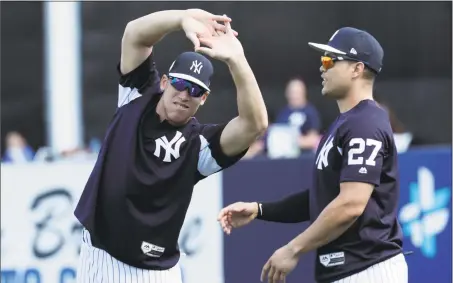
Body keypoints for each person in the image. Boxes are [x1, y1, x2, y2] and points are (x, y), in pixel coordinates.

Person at [74, 9, 268, 283]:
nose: (185, 94)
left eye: (196, 90)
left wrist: (237, 60)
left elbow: (254, 125)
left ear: (204, 99)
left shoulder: (200, 146)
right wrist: (182, 18)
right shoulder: (137, 95)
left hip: (159, 271)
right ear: (165, 82)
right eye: (179, 83)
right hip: (104, 258)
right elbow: (135, 35)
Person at [218, 27, 407, 283]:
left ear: (357, 69)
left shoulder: (366, 122)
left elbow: (351, 204)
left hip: (368, 270)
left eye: (330, 60)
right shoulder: (345, 123)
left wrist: (293, 248)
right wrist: (259, 210)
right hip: (350, 270)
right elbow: (324, 198)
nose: (322, 67)